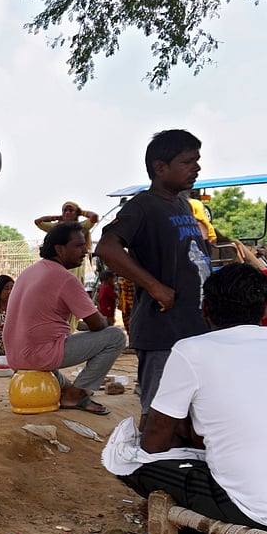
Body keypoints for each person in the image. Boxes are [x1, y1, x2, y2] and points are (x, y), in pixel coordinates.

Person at [118, 264, 267, 534]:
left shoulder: (191, 350)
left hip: (257, 511)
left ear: (204, 308)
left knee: (128, 461)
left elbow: (154, 440)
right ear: (264, 312)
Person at [95, 129, 212, 417]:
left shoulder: (183, 203)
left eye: (197, 160)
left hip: (193, 327)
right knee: (159, 416)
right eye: (187, 161)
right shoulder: (143, 206)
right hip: (163, 331)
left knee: (193, 414)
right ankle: (151, 461)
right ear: (160, 168)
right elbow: (107, 248)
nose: (196, 167)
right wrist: (155, 286)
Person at [4, 222, 126, 415]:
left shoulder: (29, 272)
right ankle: (77, 394)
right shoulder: (65, 278)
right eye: (78, 245)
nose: (85, 250)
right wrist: (99, 320)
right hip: (40, 355)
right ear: (59, 249)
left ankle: (70, 391)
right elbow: (97, 324)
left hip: (15, 357)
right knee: (115, 336)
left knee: (63, 378)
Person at [34, 201, 100, 251]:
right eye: (65, 210)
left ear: (76, 213)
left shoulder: (80, 227)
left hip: (78, 262)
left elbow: (94, 217)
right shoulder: (56, 227)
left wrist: (81, 212)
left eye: (71, 210)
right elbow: (37, 221)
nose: (67, 212)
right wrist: (55, 217)